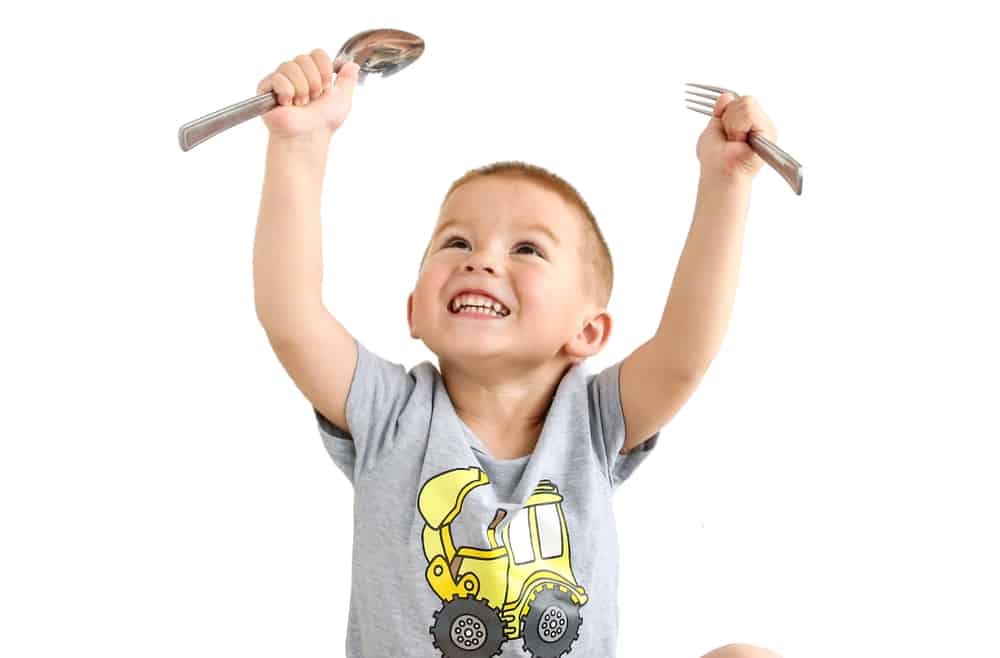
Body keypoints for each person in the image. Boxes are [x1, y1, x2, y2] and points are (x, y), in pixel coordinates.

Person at [253, 48, 785, 658]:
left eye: (528, 250)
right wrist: (300, 145)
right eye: (456, 242)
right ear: (413, 312)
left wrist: (726, 181)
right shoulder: (390, 416)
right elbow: (291, 316)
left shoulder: (593, 423)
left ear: (586, 332)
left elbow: (686, 350)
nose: (481, 260)